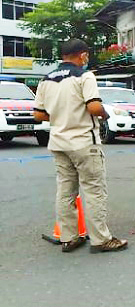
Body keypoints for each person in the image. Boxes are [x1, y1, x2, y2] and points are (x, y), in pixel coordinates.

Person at [33, 39, 128, 253]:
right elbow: (94, 106)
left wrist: (60, 114)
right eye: (86, 55)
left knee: (65, 191)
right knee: (94, 190)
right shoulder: (84, 76)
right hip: (84, 142)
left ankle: (69, 237)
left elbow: (38, 115)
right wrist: (104, 113)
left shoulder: (46, 79)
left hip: (58, 142)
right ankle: (101, 240)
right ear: (82, 55)